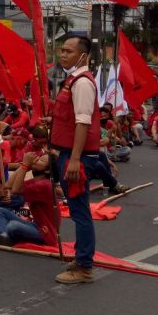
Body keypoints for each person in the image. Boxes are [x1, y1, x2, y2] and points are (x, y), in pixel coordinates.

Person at [48, 34, 100, 284]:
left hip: (76, 156)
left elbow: (83, 122)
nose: (63, 54)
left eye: (69, 51)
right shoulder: (73, 80)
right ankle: (81, 259)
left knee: (79, 212)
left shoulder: (82, 83)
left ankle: (84, 267)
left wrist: (75, 159)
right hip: (68, 153)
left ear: (83, 55)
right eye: (62, 50)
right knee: (79, 210)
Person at [0, 149, 60, 247]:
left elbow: (15, 190)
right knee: (0, 211)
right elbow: (9, 185)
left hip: (45, 233)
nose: (36, 160)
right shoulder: (36, 180)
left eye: (41, 160)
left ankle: (7, 235)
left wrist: (25, 166)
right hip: (35, 225)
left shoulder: (45, 185)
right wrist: (24, 165)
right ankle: (5, 236)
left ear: (47, 170)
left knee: (12, 225)